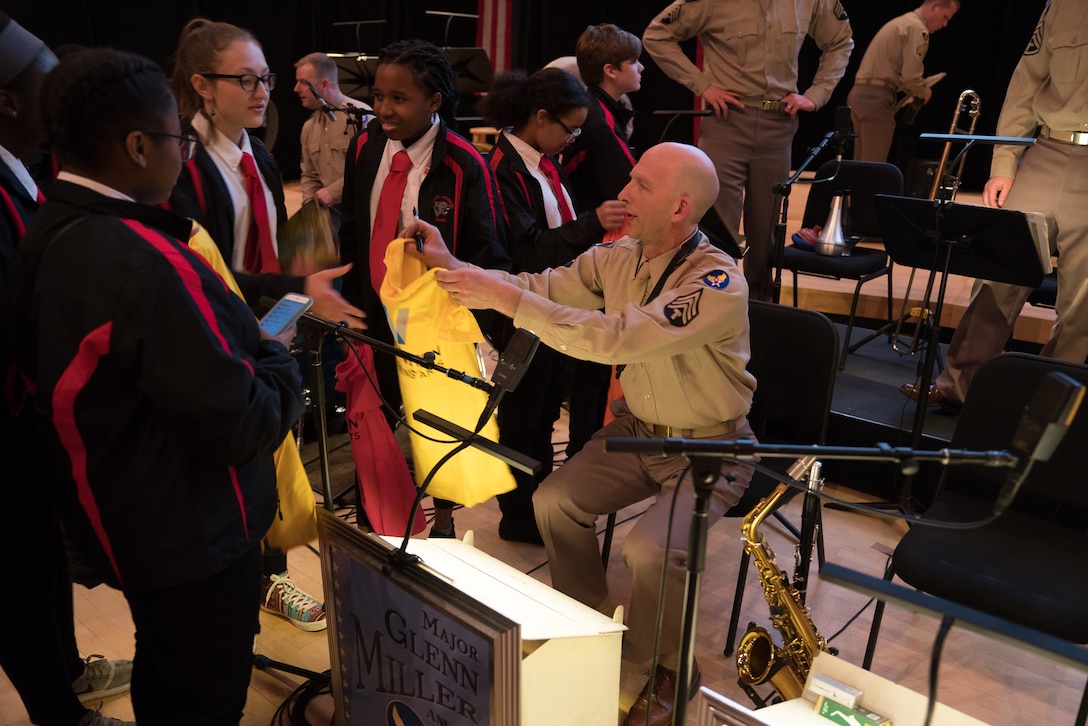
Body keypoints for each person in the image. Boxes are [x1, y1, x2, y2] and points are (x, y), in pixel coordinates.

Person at [406, 141, 757, 726]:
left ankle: (664, 666)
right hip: (641, 431)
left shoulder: (718, 282)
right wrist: (457, 268)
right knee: (553, 501)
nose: (623, 194)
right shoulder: (620, 257)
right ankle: (588, 619)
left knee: (650, 550)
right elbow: (540, 285)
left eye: (640, 186)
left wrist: (509, 299)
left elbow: (617, 337)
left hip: (711, 446)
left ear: (679, 207)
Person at [7, 45, 305, 724]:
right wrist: (274, 349)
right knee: (199, 689)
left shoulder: (50, 226)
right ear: (139, 146)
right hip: (193, 539)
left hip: (129, 518)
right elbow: (247, 423)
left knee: (168, 671)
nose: (185, 155)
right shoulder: (142, 262)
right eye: (178, 139)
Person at [168, 17, 358, 632]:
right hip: (219, 340)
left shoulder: (261, 156)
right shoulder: (184, 168)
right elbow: (205, 278)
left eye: (266, 78)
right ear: (201, 84)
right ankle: (241, 583)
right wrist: (293, 291)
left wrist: (297, 297)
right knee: (235, 466)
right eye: (245, 79)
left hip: (271, 328)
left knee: (277, 457)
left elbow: (270, 245)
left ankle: (267, 574)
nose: (262, 91)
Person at [0, 16, 134, 725]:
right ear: (10, 102)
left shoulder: (25, 173)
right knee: (17, 576)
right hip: (10, 425)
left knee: (45, 561)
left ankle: (69, 674)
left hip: (34, 422)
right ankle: (60, 712)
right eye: (45, 80)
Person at [338, 38, 510, 538]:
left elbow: (490, 252)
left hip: (435, 320)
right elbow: (352, 222)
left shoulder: (463, 164)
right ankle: (380, 522)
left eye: (398, 98)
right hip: (372, 311)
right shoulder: (366, 145)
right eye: (378, 96)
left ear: (434, 102)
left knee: (436, 422)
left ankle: (445, 525)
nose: (383, 109)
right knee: (376, 417)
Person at [902, 0, 1088, 408]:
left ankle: (1048, 403)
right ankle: (959, 384)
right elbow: (1026, 83)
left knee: (1081, 305)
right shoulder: (1065, 5)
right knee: (997, 273)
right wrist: (1005, 162)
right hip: (1048, 150)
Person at [477, 67, 625, 543]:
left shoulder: (542, 159)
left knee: (543, 415)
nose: (574, 138)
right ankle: (517, 516)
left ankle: (538, 505)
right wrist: (592, 223)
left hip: (550, 305)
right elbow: (530, 250)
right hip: (521, 310)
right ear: (541, 118)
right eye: (570, 128)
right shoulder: (502, 170)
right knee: (522, 419)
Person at [643, 0, 854, 302]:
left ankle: (759, 312)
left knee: (766, 233)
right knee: (718, 226)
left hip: (779, 124)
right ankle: (710, 307)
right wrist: (703, 85)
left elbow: (840, 41)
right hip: (727, 121)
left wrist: (816, 94)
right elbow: (657, 35)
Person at [847, 0, 960, 163]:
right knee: (873, 165)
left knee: (860, 162)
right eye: (945, 17)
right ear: (935, 7)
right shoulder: (916, 28)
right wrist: (924, 91)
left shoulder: (902, 22)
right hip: (876, 98)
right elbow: (910, 77)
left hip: (860, 94)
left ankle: (857, 189)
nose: (944, 24)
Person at [293, 51, 373, 227]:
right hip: (331, 219)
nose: (296, 89)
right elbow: (309, 175)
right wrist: (310, 211)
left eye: (303, 83)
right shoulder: (309, 127)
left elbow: (370, 167)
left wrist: (333, 192)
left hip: (364, 214)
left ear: (323, 84)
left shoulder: (361, 116)